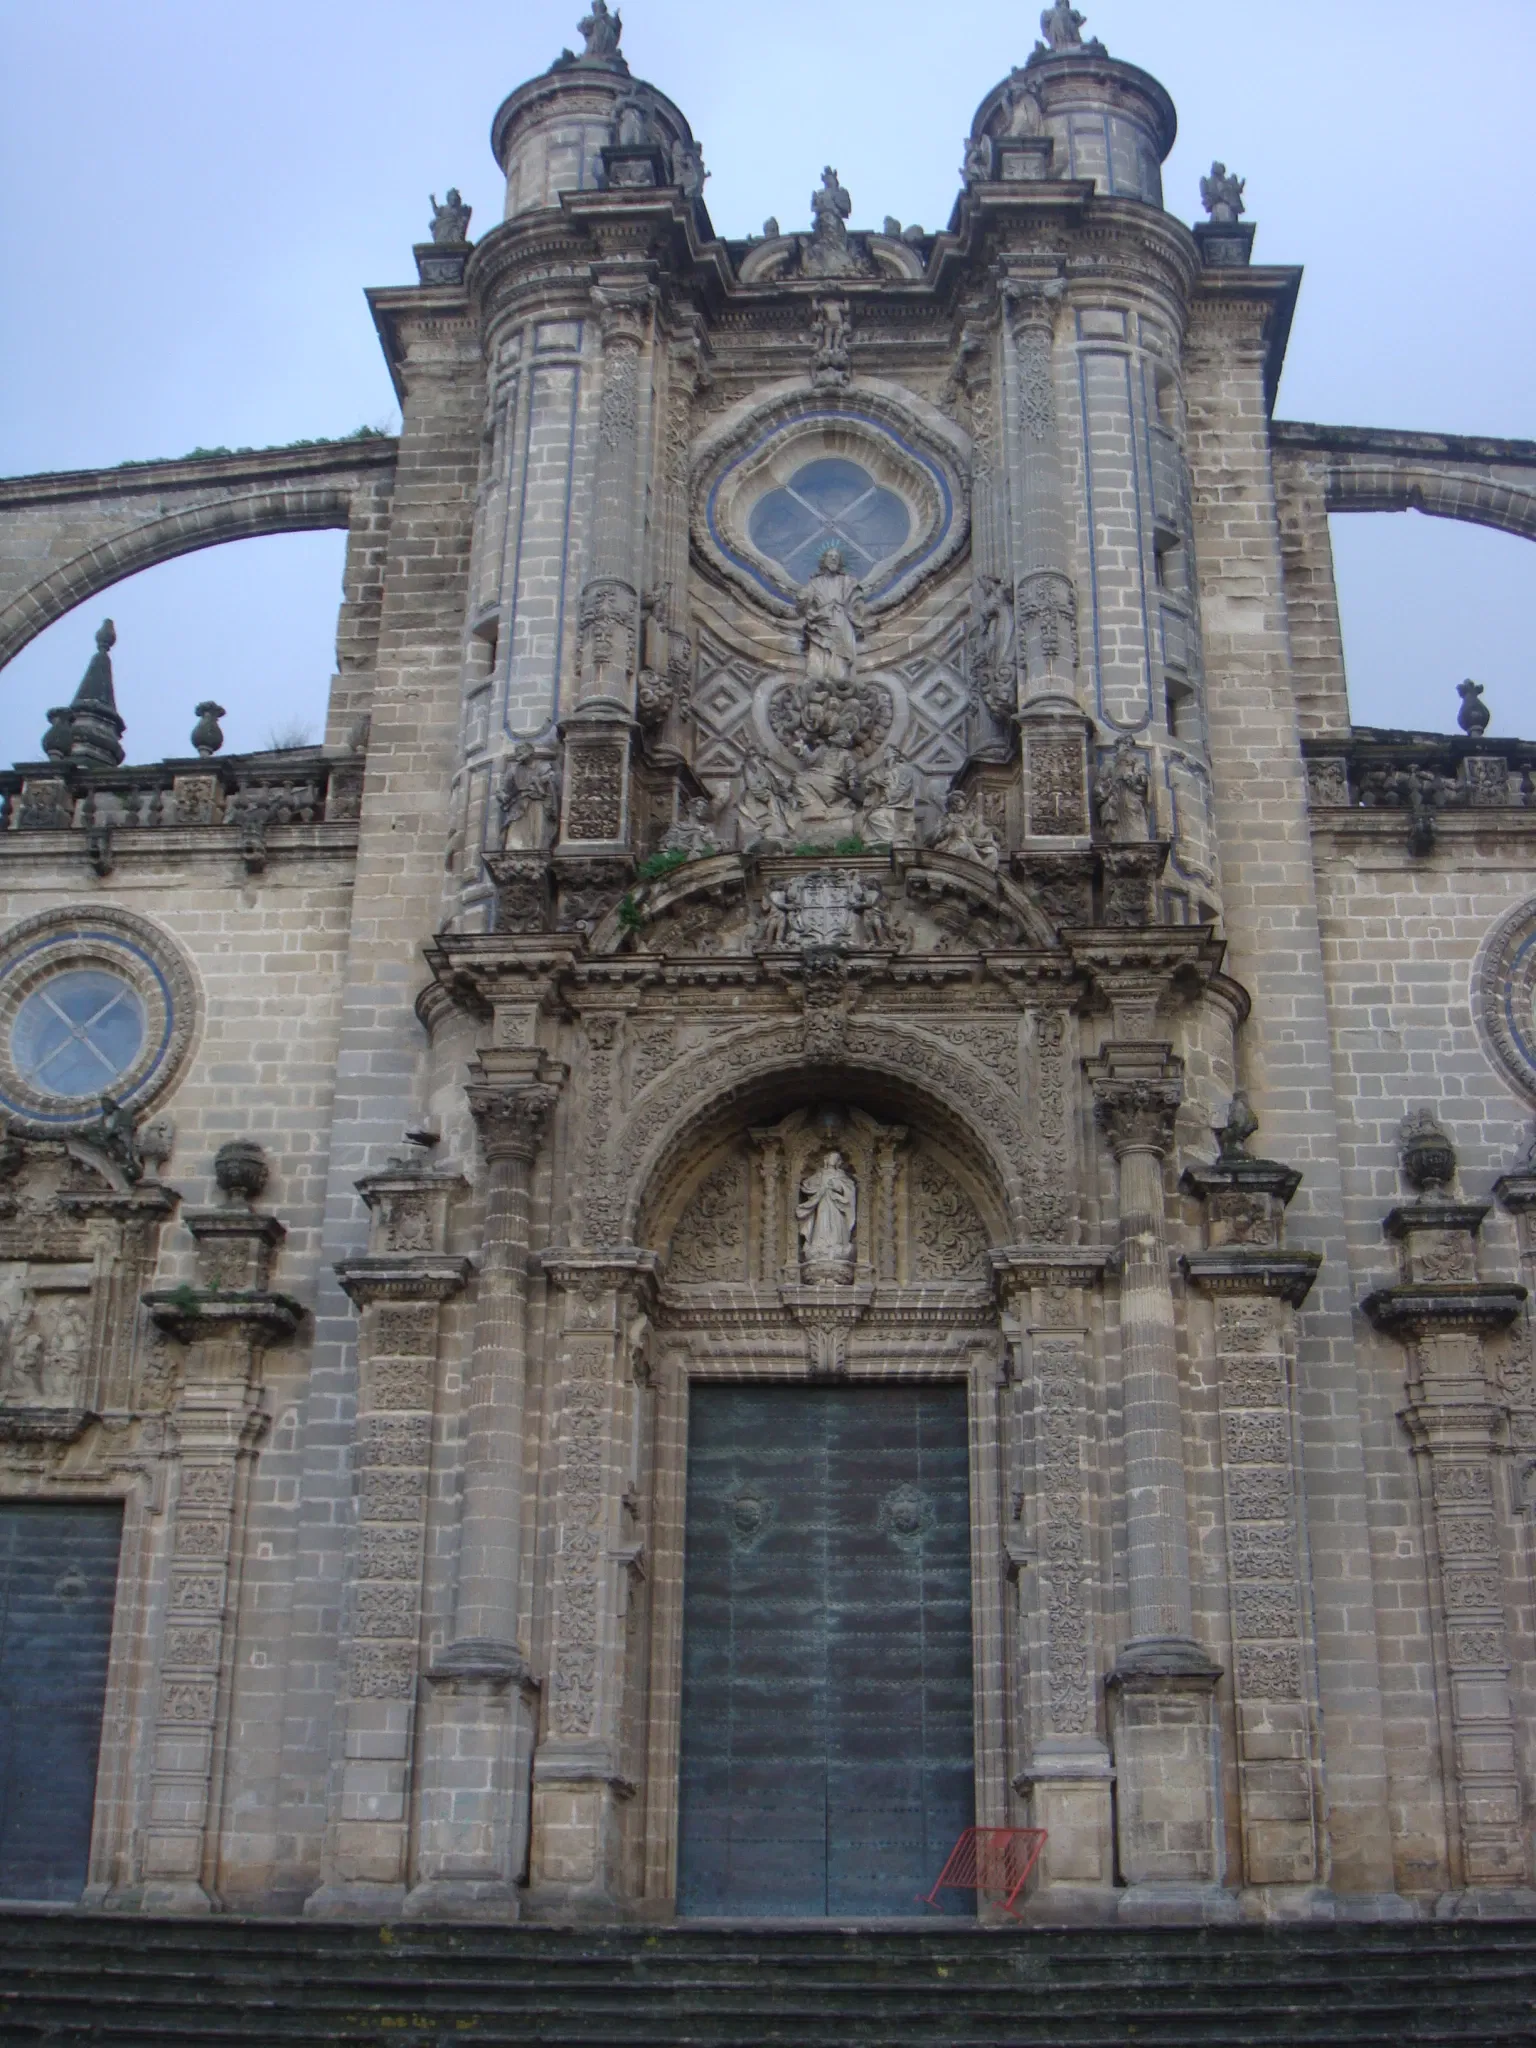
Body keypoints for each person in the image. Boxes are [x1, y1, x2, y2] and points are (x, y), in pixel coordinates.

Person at [797, 1150, 857, 1271]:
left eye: (836, 1158)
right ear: (826, 1160)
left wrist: (837, 1186)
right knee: (822, 1224)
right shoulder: (820, 1173)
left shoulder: (841, 1174)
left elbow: (849, 1189)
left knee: (836, 1225)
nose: (833, 1160)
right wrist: (820, 1188)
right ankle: (819, 1245)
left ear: (839, 1162)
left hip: (837, 1205)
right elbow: (808, 1184)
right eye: (831, 1158)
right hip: (823, 1202)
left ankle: (837, 1245)